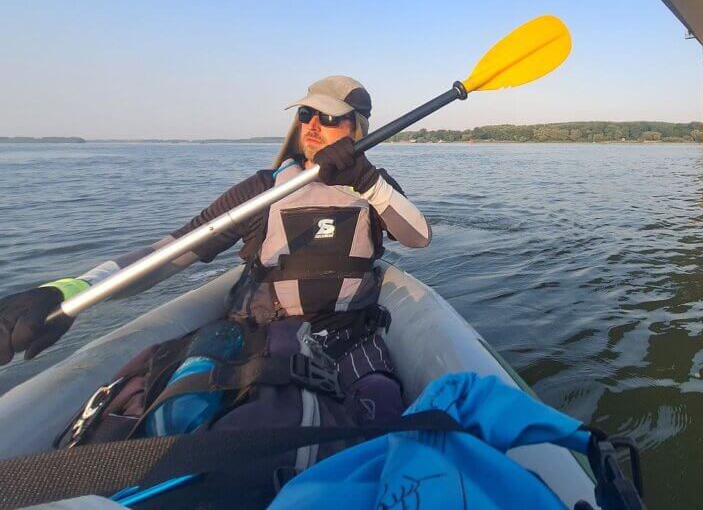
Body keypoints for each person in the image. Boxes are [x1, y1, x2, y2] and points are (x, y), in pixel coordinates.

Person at [0, 75, 431, 431]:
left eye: (329, 118)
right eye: (306, 114)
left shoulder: (377, 186)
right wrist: (71, 292)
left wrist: (367, 180)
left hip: (347, 336)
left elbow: (418, 238)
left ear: (357, 129)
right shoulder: (262, 189)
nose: (313, 126)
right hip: (263, 336)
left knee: (382, 406)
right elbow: (173, 252)